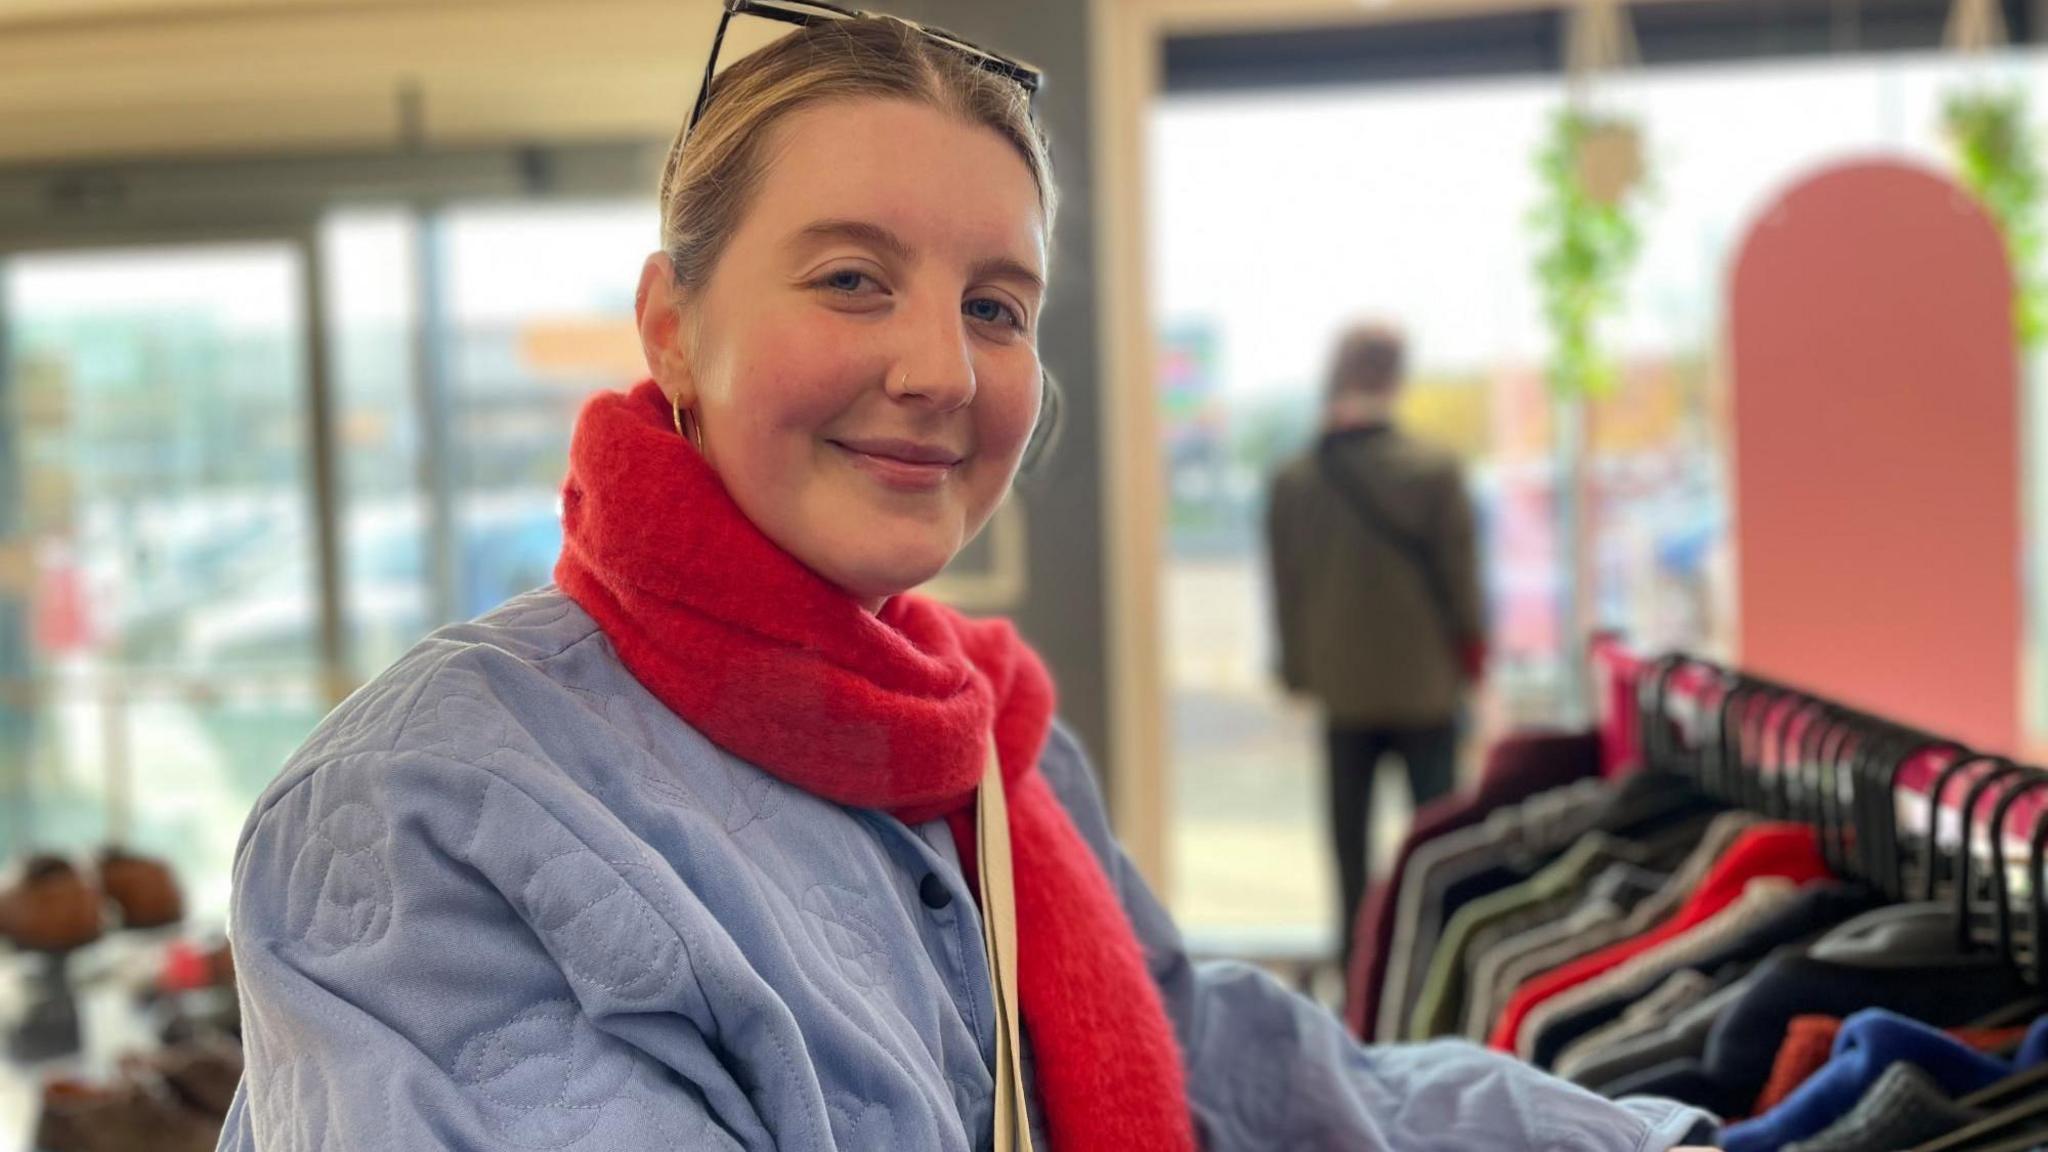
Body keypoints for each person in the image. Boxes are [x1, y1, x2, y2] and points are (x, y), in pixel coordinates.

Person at [218, 9, 1715, 1150]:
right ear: (672, 324)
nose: (941, 371)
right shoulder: (432, 811)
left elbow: (1226, 1065)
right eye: (852, 277)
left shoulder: (988, 739)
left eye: (996, 305)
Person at [1266, 323, 1487, 979]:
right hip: (1426, 687)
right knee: (1437, 843)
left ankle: (1358, 972)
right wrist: (1473, 660)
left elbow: (1287, 587)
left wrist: (1300, 672)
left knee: (1349, 846)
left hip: (1344, 689)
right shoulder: (1435, 471)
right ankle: (1437, 968)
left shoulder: (1296, 479)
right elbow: (1461, 583)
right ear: (1395, 378)